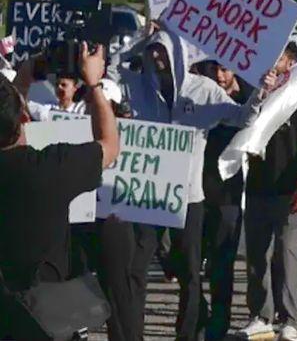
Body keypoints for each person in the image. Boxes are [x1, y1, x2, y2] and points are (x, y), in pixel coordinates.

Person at [110, 30, 271, 341]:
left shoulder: (203, 91)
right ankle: (132, 334)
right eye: (153, 53)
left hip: (189, 198)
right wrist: (146, 39)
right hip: (150, 197)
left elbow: (241, 118)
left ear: (178, 56)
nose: (157, 58)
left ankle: (186, 335)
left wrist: (260, 92)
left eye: (163, 52)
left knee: (190, 274)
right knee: (135, 269)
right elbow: (112, 67)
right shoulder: (140, 84)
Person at [0, 44, 120, 338]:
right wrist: (94, 84)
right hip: (42, 319)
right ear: (26, 116)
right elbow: (109, 145)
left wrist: (25, 75)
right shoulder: (51, 167)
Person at [238, 43, 297, 341]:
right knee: (257, 254)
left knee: (287, 254)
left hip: (290, 190)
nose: (273, 64)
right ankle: (261, 315)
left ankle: (290, 319)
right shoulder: (257, 91)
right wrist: (260, 93)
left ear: (290, 62)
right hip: (259, 187)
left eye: (279, 58)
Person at [200, 61, 253, 340]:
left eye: (224, 69)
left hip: (228, 194)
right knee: (185, 259)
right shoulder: (199, 93)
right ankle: (198, 311)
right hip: (195, 189)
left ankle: (219, 321)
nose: (220, 75)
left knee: (222, 262)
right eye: (215, 69)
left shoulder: (249, 99)